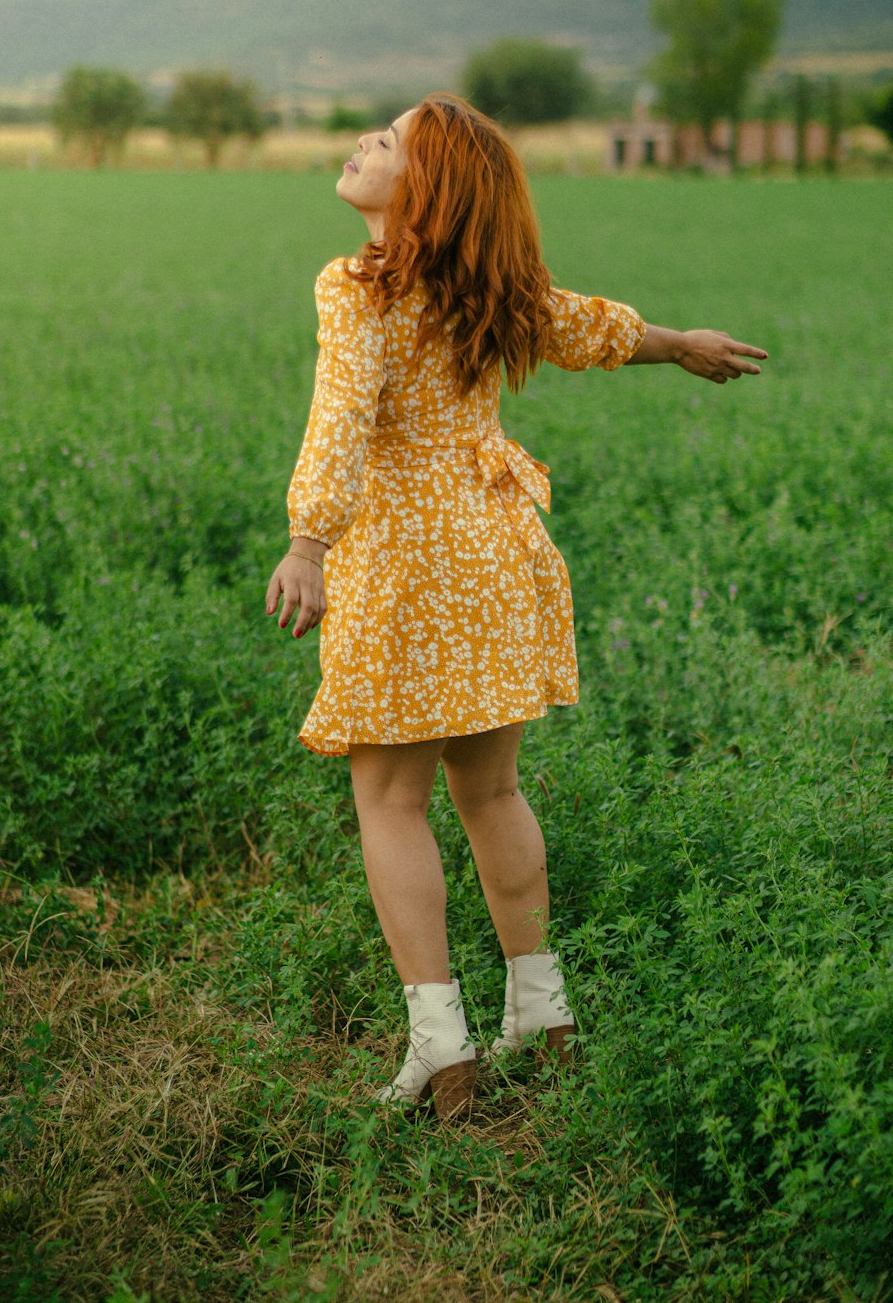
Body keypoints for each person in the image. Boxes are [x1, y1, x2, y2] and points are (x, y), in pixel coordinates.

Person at [265, 95, 767, 1119]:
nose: (366, 142)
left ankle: (441, 1049)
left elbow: (343, 417)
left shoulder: (355, 285)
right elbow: (581, 326)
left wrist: (307, 541)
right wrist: (678, 343)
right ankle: (541, 1017)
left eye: (391, 143)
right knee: (490, 796)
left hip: (404, 559)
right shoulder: (487, 286)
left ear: (426, 190)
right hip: (495, 550)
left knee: (392, 803)